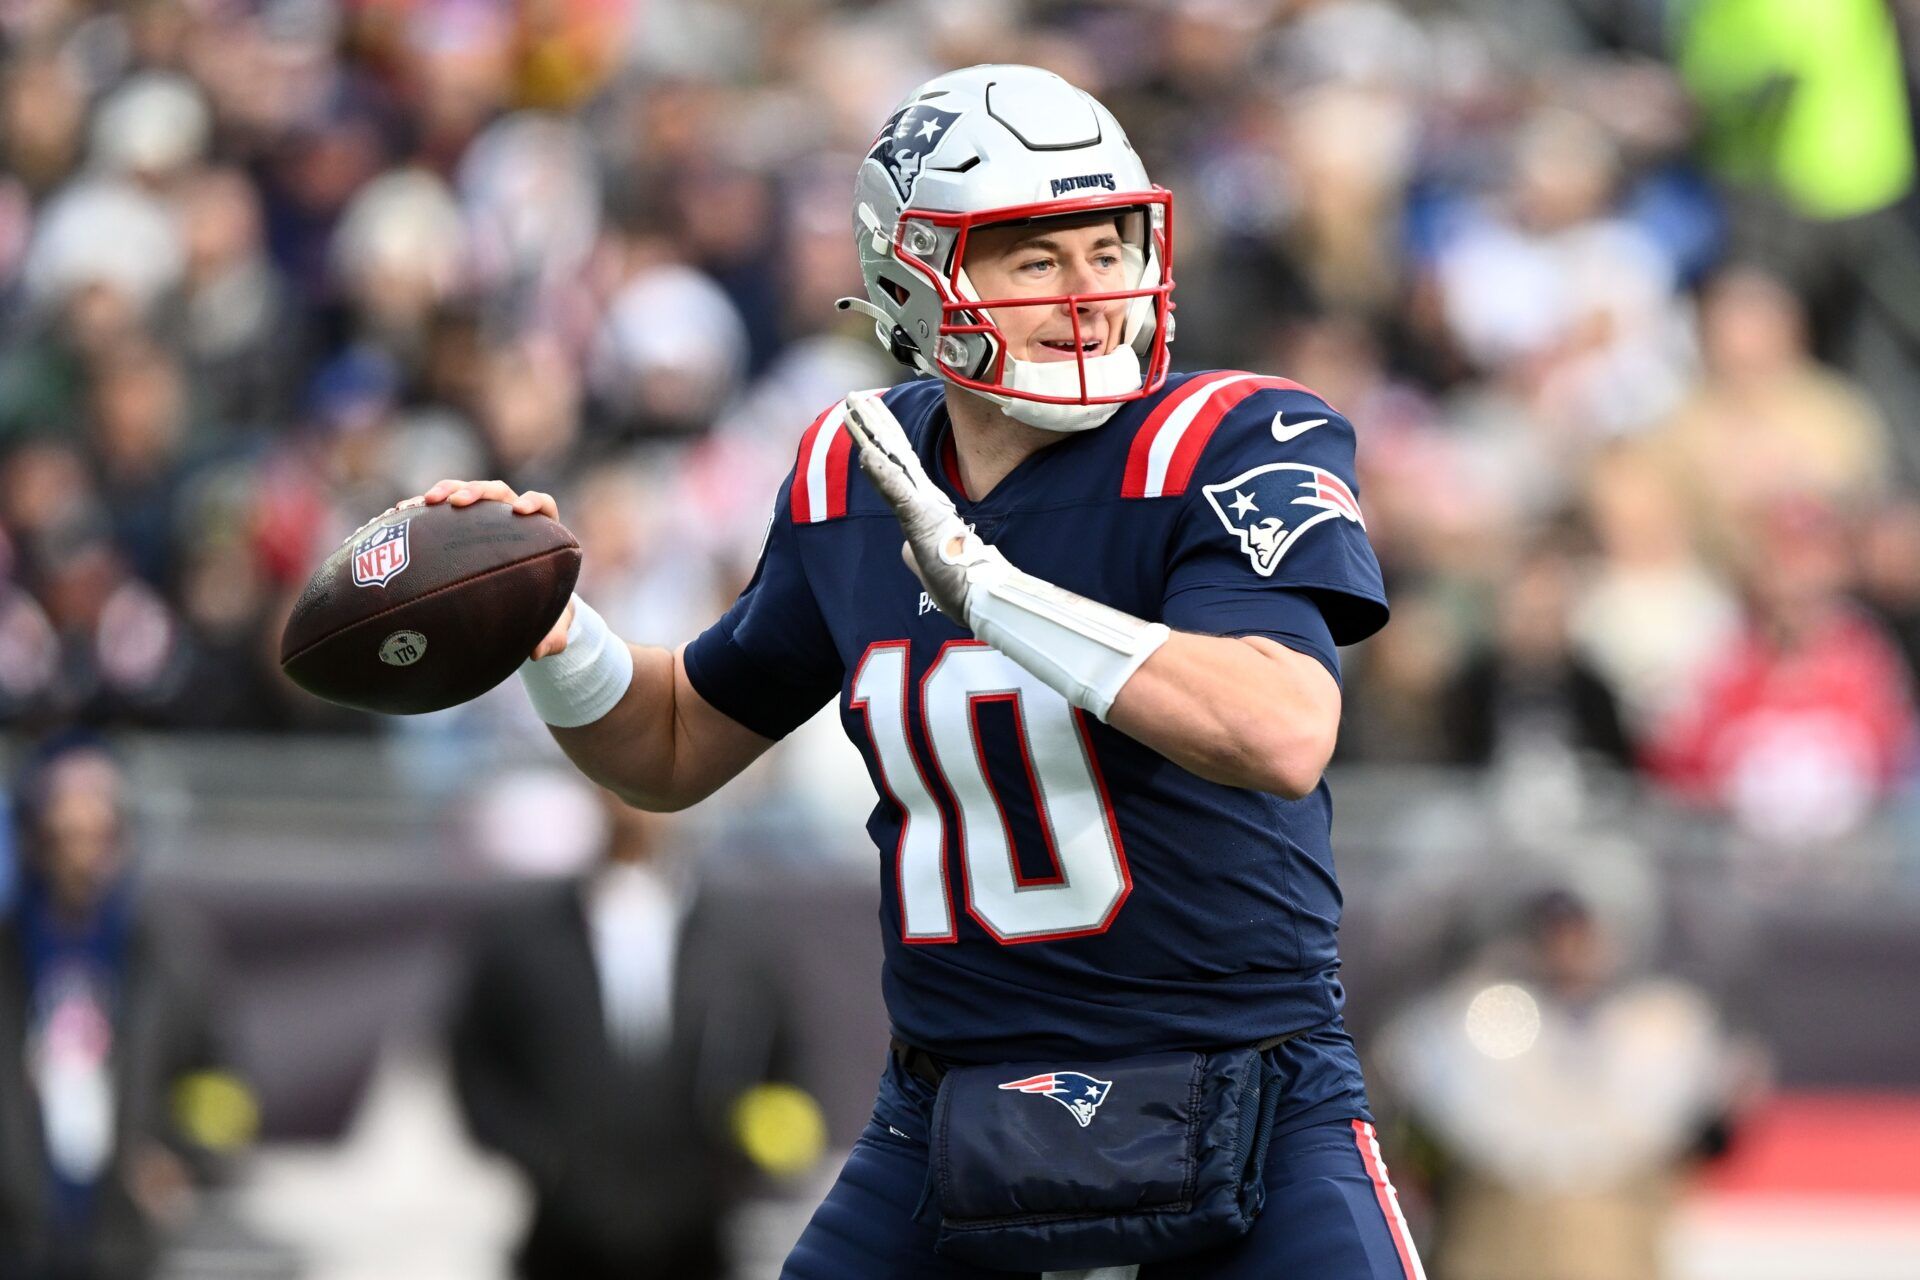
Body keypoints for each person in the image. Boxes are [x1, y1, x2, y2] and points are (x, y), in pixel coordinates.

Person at [412, 64, 1419, 1280]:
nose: (1089, 293)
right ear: (916, 272)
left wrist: (993, 592)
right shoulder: (859, 471)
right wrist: (556, 631)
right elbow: (673, 745)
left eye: (1108, 246)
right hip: (958, 1100)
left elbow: (1279, 724)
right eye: (1034, 258)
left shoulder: (1232, 433)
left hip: (1246, 1081)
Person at [447, 788, 809, 1280]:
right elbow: (475, 1058)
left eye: (653, 787)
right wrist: (542, 1161)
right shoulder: (524, 934)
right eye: (617, 786)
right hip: (563, 1234)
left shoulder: (738, 940)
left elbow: (781, 1061)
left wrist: (730, 1169)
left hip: (698, 1235)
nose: (635, 805)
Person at [0, 735, 250, 1280]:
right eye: (63, 837)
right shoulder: (10, 950)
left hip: (124, 1238)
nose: (83, 858)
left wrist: (185, 1157)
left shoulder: (171, 952)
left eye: (99, 835)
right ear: (33, 839)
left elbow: (222, 1083)